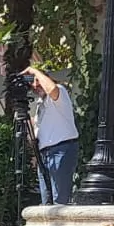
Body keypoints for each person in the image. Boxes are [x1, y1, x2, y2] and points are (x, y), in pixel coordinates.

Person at [23, 66, 79, 205]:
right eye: (32, 83)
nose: (35, 85)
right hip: (44, 154)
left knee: (59, 200)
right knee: (46, 201)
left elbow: (52, 90)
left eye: (38, 81)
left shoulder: (60, 92)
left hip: (61, 149)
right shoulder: (40, 104)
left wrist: (34, 70)